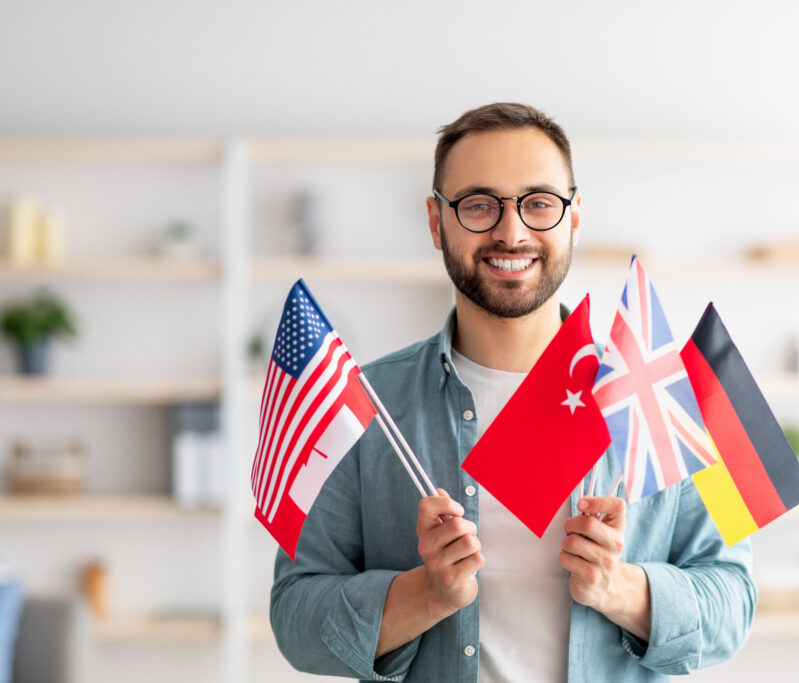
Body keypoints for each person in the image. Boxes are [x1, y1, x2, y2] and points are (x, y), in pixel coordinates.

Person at [270, 102, 756, 682]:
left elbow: (735, 602)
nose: (512, 231)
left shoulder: (671, 390)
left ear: (574, 216)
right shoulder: (362, 404)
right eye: (478, 204)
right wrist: (426, 594)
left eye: (539, 203)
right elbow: (295, 618)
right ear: (435, 220)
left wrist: (620, 588)